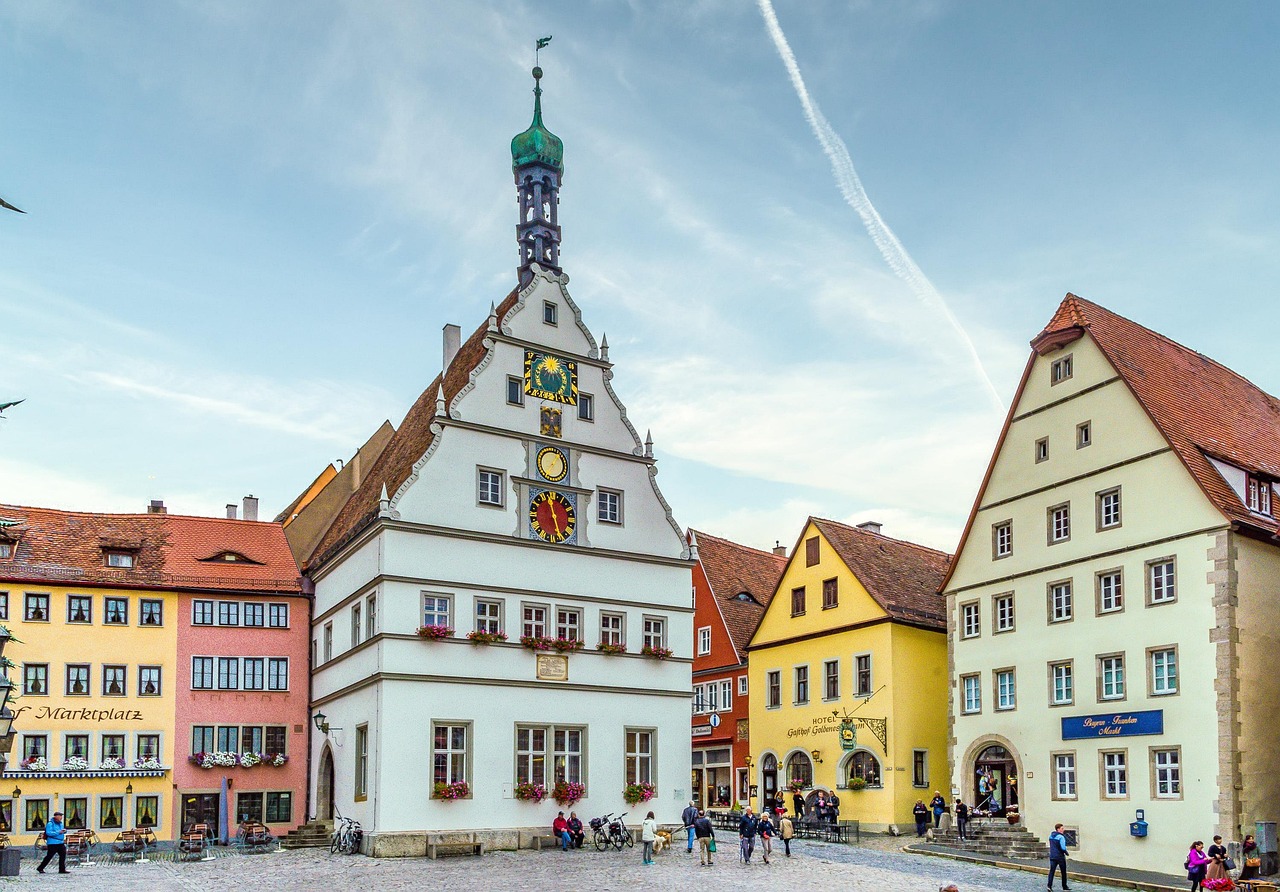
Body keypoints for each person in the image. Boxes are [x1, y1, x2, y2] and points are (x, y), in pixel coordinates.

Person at [1048, 823, 1070, 891]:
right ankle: (1064, 886)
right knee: (1063, 872)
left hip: (1052, 856)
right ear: (1058, 829)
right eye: (1062, 828)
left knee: (1052, 871)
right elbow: (1063, 847)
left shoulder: (1051, 836)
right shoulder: (1061, 837)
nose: (1063, 830)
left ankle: (1049, 886)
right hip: (1060, 857)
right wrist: (1066, 852)